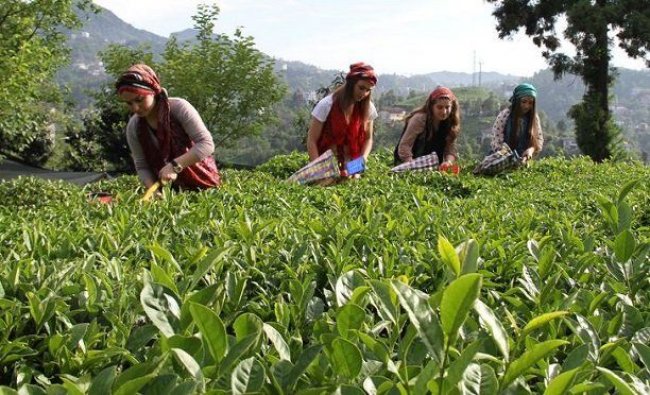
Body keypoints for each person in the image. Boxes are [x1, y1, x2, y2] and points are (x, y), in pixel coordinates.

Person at [115, 63, 220, 191]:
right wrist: (152, 190)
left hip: (203, 183)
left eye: (139, 99)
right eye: (129, 103)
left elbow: (206, 144)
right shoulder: (134, 127)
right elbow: (142, 166)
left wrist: (174, 166)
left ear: (153, 91)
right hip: (168, 191)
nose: (135, 108)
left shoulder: (178, 108)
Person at [306, 62, 378, 178]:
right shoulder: (326, 105)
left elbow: (368, 139)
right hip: (326, 165)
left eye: (368, 90)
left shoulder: (368, 108)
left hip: (353, 166)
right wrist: (319, 169)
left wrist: (362, 161)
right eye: (361, 88)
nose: (364, 93)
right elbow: (311, 140)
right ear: (351, 83)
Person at [394, 86, 461, 171]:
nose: (444, 112)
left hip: (432, 167)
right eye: (439, 107)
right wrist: (412, 165)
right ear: (432, 106)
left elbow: (450, 150)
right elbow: (404, 146)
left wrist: (448, 162)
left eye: (447, 107)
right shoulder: (420, 119)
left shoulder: (450, 123)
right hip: (410, 162)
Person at [490, 83, 544, 162]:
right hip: (501, 159)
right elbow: (496, 140)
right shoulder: (505, 115)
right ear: (517, 101)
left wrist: (530, 151)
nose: (527, 106)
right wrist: (507, 156)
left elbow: (539, 138)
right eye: (524, 102)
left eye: (530, 103)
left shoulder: (534, 118)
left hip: (523, 160)